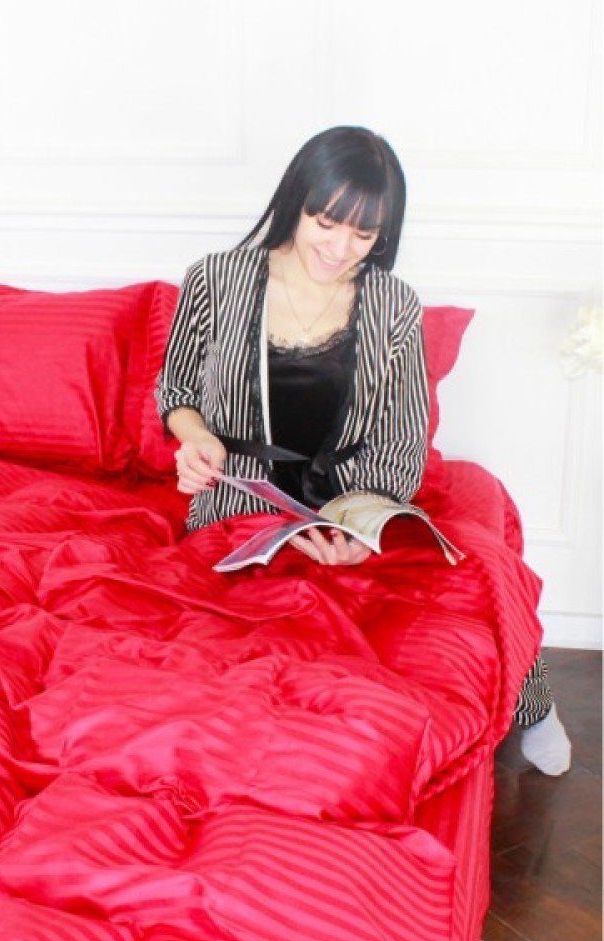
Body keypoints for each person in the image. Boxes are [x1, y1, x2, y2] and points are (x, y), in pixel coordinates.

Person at [155, 125, 571, 776]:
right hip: (245, 504)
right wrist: (197, 436)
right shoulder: (216, 279)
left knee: (482, 571)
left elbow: (402, 439)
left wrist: (355, 527)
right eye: (326, 223)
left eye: (363, 235)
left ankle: (533, 706)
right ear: (296, 201)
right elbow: (177, 389)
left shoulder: (392, 305)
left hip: (355, 502)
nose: (339, 248)